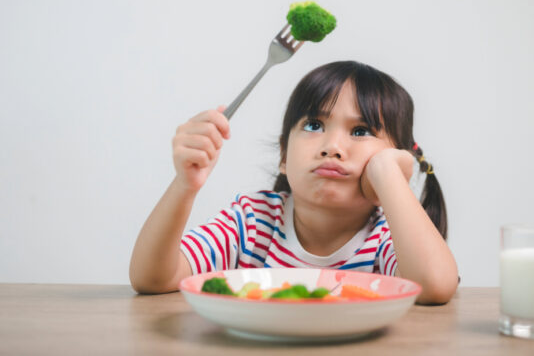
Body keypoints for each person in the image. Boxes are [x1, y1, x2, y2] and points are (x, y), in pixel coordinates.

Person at [129, 60, 458, 304]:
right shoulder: (252, 221)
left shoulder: (386, 237)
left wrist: (388, 175)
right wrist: (185, 185)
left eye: (361, 132)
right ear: (284, 155)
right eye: (314, 125)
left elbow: (435, 286)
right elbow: (153, 278)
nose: (332, 147)